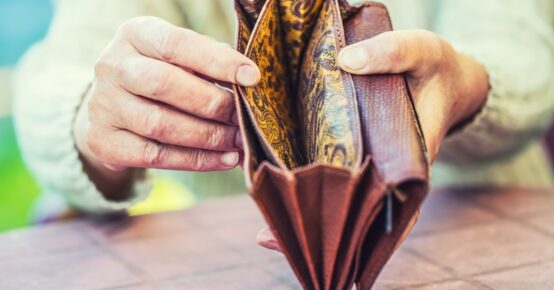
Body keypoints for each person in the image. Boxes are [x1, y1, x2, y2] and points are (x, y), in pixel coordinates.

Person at [13, 0, 554, 244]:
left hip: (496, 234)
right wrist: (92, 122)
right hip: (249, 261)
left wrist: (465, 83)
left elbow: (523, 48)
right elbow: (59, 75)